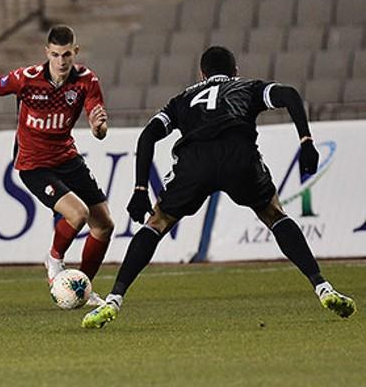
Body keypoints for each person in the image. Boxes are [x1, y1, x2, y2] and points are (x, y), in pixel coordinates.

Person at [82, 46, 356, 328]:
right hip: (238, 157)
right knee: (274, 214)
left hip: (194, 163)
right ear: (235, 71)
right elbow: (289, 95)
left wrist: (140, 188)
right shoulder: (246, 87)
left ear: (201, 74)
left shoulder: (182, 99)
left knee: (157, 222)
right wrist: (306, 141)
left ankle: (113, 300)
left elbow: (148, 135)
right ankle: (323, 287)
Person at [0, 25, 114, 305]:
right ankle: (54, 259)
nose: (61, 61)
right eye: (56, 55)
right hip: (34, 164)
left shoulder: (86, 81)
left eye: (67, 55)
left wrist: (99, 128)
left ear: (75, 52)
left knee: (104, 226)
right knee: (78, 214)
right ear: (47, 52)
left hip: (67, 158)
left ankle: (81, 289)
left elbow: (99, 129)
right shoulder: (26, 79)